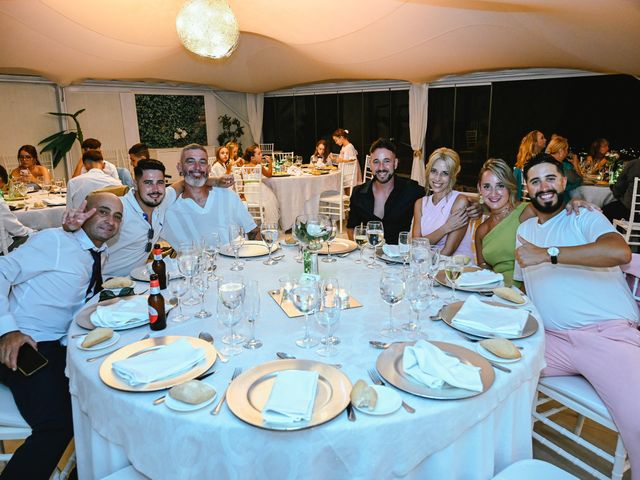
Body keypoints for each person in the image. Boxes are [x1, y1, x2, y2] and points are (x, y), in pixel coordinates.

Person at [513, 153, 640, 476]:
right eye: (536, 181)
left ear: (564, 181)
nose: (544, 187)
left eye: (550, 178)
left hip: (606, 337)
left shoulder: (584, 218)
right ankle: (507, 456)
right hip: (551, 341)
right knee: (500, 376)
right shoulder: (525, 230)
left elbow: (618, 251)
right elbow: (526, 288)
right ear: (526, 187)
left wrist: (548, 254)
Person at [0, 192, 123, 479]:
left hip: (57, 345)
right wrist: (7, 330)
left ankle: (93, 467)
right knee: (58, 423)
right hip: (23, 343)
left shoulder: (96, 253)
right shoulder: (54, 241)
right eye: (102, 212)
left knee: (103, 389)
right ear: (84, 212)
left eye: (117, 216)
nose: (111, 221)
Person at [63, 159, 234, 278]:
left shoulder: (162, 200)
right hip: (106, 284)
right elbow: (83, 238)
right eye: (148, 183)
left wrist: (216, 181)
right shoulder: (118, 209)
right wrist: (71, 228)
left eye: (160, 182)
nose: (155, 189)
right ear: (135, 184)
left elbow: (183, 183)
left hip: (138, 281)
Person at [162, 144, 258, 246]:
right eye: (190, 161)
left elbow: (253, 232)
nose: (197, 167)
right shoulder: (169, 209)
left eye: (202, 162)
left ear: (208, 168)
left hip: (233, 260)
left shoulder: (227, 196)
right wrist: (215, 181)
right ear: (179, 167)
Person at [347, 138, 426, 245]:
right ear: (370, 164)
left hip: (398, 258)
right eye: (376, 162)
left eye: (387, 161)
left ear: (396, 163)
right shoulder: (358, 193)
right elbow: (351, 228)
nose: (381, 167)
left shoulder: (412, 191)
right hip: (370, 257)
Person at [412, 147, 473, 257]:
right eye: (434, 171)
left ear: (453, 175)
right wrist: (446, 228)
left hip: (456, 268)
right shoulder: (420, 203)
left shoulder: (460, 202)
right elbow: (416, 245)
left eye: (445, 173)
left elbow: (447, 252)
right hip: (427, 265)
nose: (437, 178)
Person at [241, 144, 280, 225]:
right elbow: (269, 174)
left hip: (248, 195)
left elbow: (243, 183)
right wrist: (270, 163)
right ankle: (269, 224)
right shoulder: (259, 166)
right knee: (271, 199)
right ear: (252, 158)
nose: (261, 155)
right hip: (258, 194)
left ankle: (256, 224)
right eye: (259, 154)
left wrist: (242, 195)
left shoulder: (243, 167)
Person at [603, 156, 640, 223]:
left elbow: (618, 188)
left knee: (604, 211)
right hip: (632, 212)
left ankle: (618, 232)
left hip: (630, 210)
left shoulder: (634, 164)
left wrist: (619, 195)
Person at [514, 130, 546, 200]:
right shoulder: (526, 163)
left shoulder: (542, 160)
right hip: (525, 203)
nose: (545, 140)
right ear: (534, 142)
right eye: (542, 138)